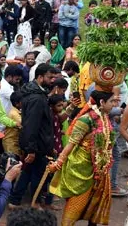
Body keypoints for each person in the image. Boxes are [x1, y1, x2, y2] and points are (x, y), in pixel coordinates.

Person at [49, 90, 116, 226]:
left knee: (94, 205)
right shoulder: (85, 119)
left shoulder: (104, 117)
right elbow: (71, 144)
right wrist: (59, 162)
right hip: (81, 169)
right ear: (102, 103)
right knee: (75, 207)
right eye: (112, 101)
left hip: (100, 169)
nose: (114, 104)